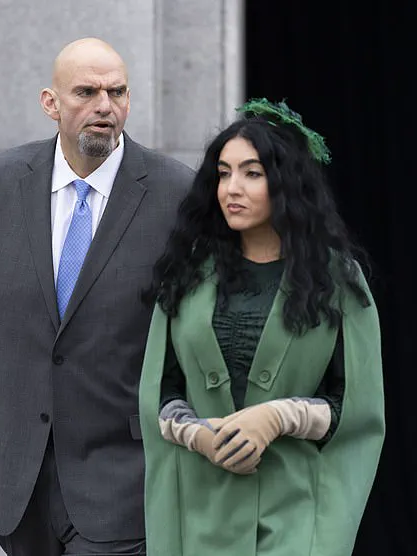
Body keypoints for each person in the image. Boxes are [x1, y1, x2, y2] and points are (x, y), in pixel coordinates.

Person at [0, 37, 194, 555]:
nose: (104, 106)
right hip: (13, 478)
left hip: (124, 477)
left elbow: (194, 339)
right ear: (51, 103)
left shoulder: (176, 192)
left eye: (117, 92)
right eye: (86, 92)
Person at [139, 99, 385, 556]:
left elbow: (356, 408)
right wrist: (199, 435)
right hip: (199, 515)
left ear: (287, 183)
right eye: (223, 173)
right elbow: (159, 393)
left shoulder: (336, 280)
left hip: (298, 515)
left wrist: (278, 416)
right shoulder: (187, 274)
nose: (232, 188)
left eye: (252, 173)